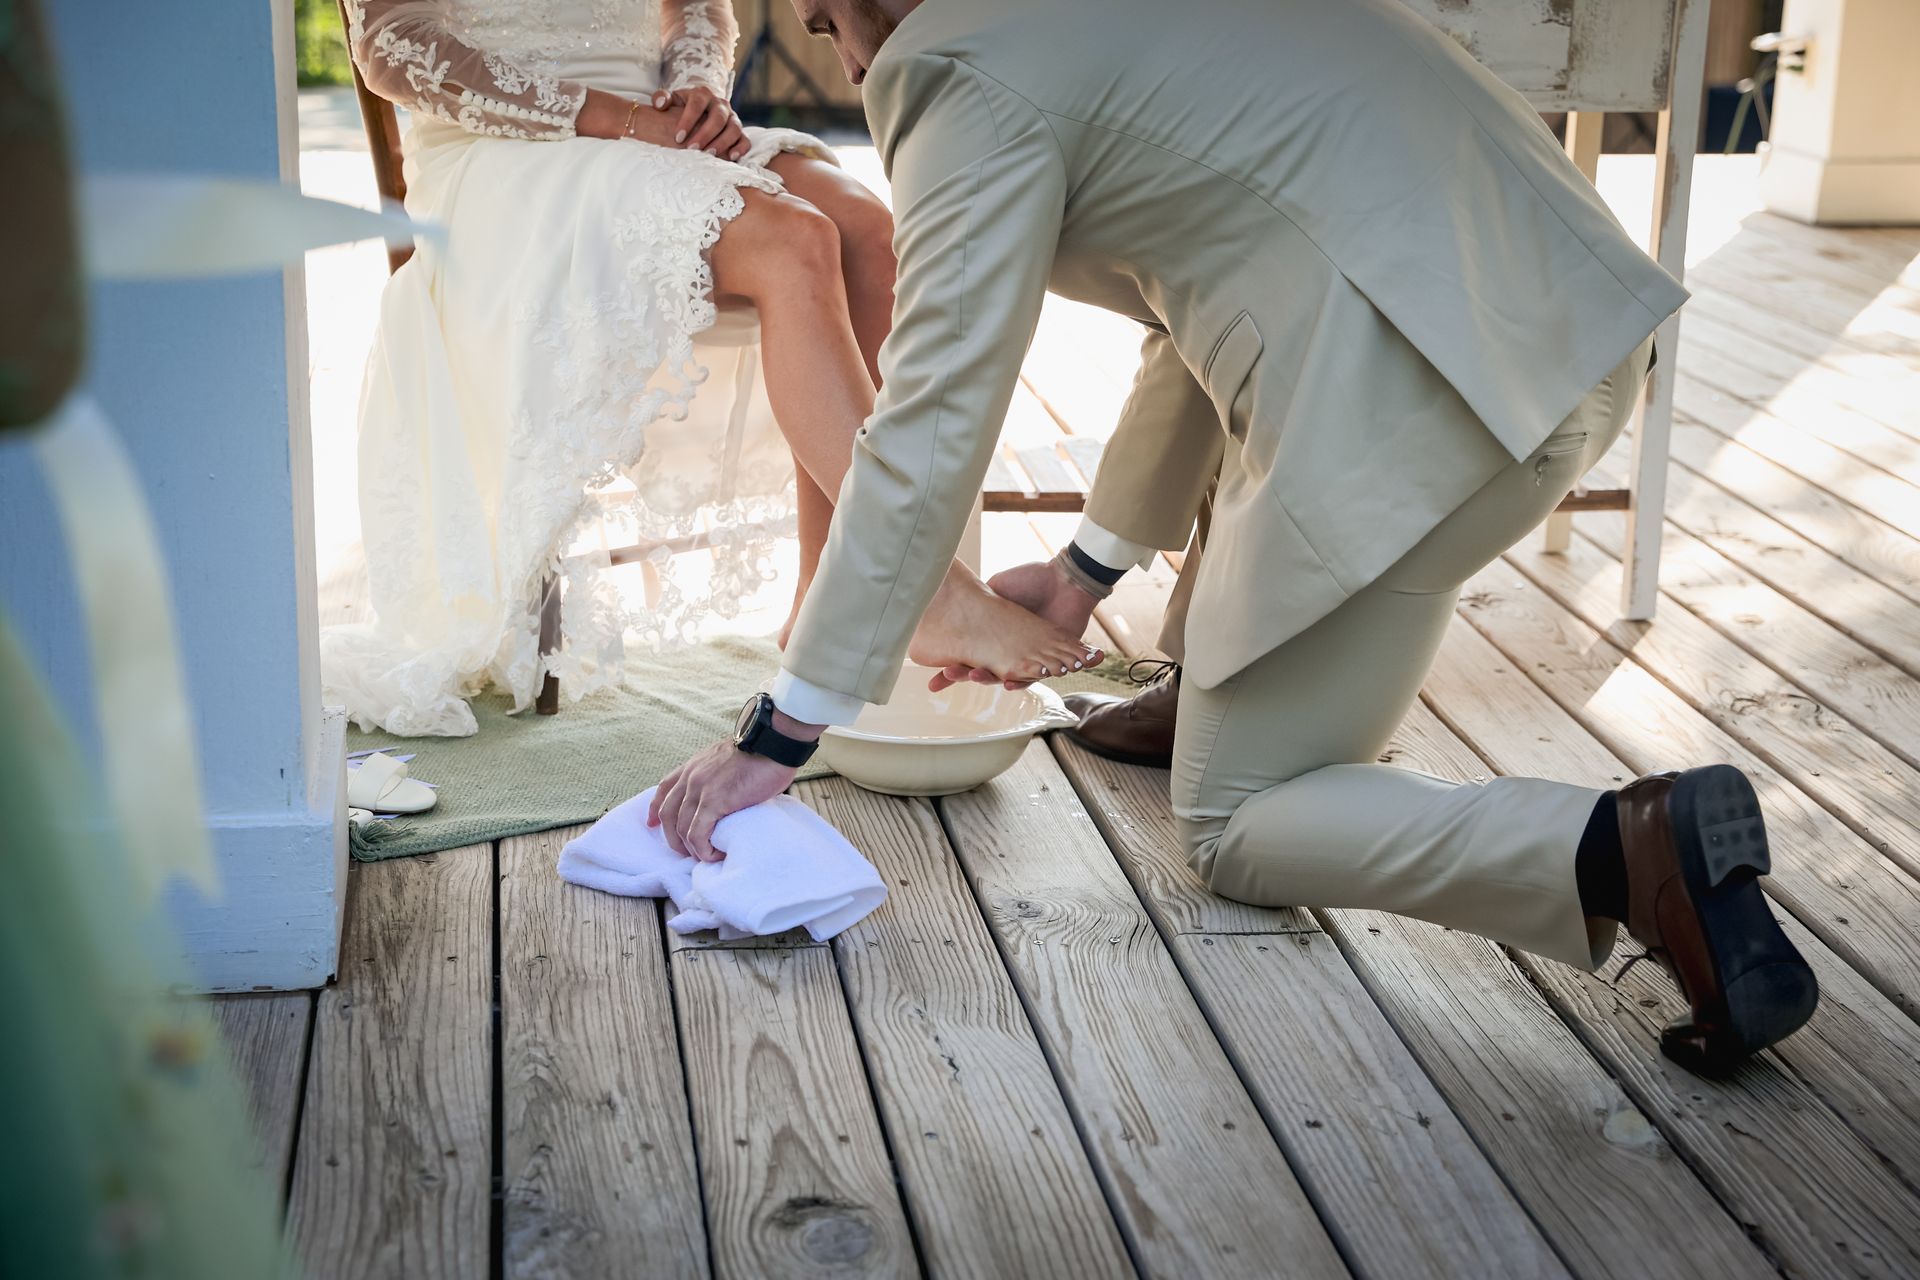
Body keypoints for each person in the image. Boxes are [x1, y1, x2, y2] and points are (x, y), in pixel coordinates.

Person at [651, 0, 1819, 1074]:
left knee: (1240, 820)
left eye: (820, 16)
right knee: (1256, 734)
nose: (840, 56)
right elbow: (1199, 285)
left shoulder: (956, 68)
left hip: (1421, 402)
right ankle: (1212, 681)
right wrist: (1081, 574)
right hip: (1574, 338)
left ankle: (1626, 848)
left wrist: (783, 729)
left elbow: (933, 412)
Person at [321, 0, 1095, 737]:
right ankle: (923, 590)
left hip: (659, 134)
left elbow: (698, 10)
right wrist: (618, 120)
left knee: (870, 237)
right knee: (792, 242)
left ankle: (825, 605)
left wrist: (692, 91)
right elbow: (395, 49)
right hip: (509, 163)